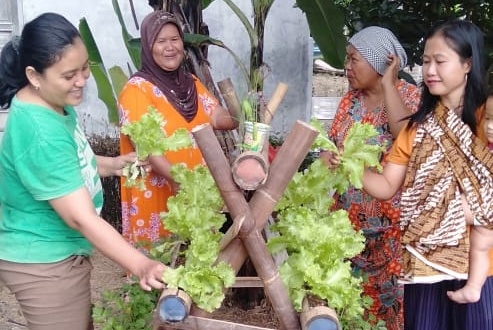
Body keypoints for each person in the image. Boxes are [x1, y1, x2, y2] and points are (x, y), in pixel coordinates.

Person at [0, 13, 167, 330]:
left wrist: (114, 164)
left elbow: (73, 164)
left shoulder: (53, 103)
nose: (81, 80)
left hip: (57, 253)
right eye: (68, 75)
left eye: (85, 68)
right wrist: (140, 264)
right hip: (43, 262)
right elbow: (80, 217)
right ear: (34, 76)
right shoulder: (40, 131)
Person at [360, 19, 493, 330]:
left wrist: (468, 213)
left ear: (467, 64)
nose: (430, 71)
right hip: (425, 266)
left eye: (440, 61)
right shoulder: (416, 127)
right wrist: (350, 168)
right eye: (426, 61)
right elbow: (385, 185)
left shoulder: (486, 124)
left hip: (482, 272)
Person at [320, 26, 420, 329]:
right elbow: (330, 146)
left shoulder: (412, 98)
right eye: (347, 60)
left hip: (392, 233)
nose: (346, 67)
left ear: (379, 63)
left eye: (354, 60)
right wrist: (328, 159)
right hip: (347, 230)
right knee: (349, 306)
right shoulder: (349, 100)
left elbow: (405, 137)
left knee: (390, 312)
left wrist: (390, 82)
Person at [118, 11, 237, 252]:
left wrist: (241, 109)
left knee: (198, 265)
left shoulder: (191, 82)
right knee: (160, 267)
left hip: (195, 194)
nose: (170, 47)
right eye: (161, 41)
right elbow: (148, 150)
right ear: (148, 47)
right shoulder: (136, 91)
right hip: (159, 193)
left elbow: (218, 116)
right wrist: (184, 182)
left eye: (175, 39)